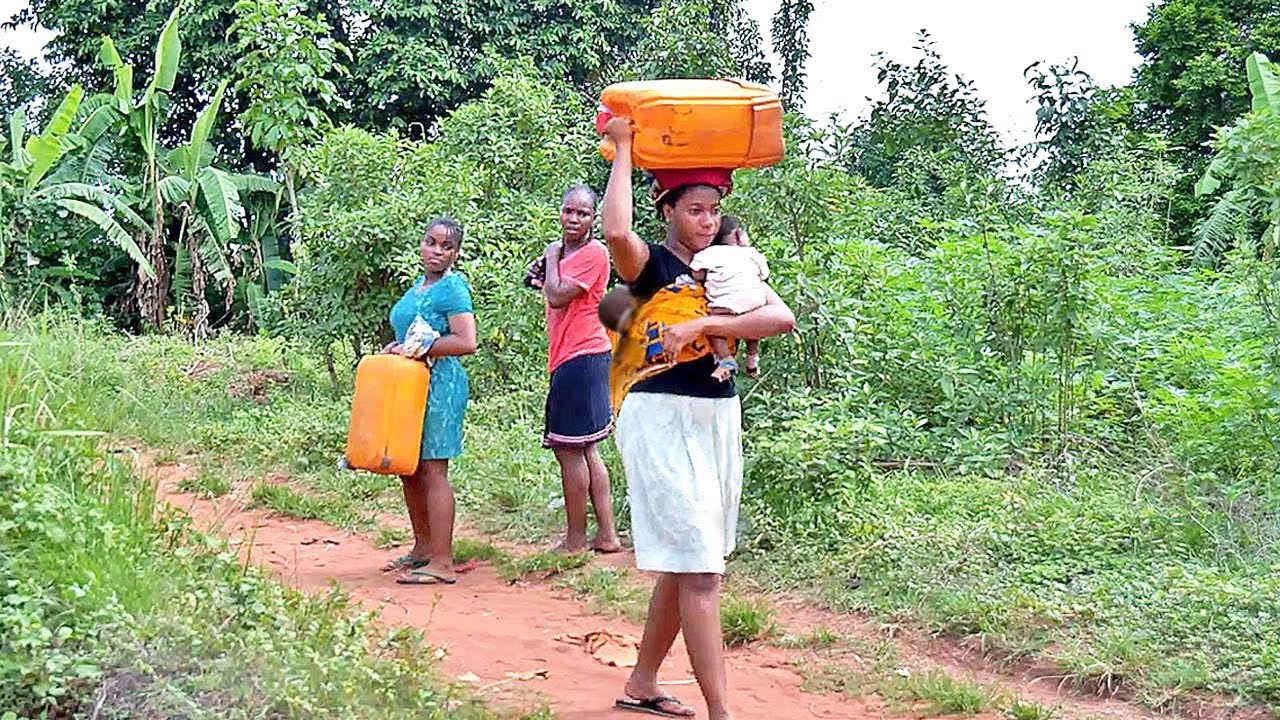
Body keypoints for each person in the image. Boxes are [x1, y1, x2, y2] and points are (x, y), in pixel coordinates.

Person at [599, 116, 796, 720]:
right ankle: (722, 713)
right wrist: (626, 148)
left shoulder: (731, 265)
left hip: (714, 418)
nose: (706, 221)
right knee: (703, 574)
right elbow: (615, 231)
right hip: (660, 416)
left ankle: (641, 681)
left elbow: (779, 319)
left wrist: (706, 325)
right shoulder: (653, 266)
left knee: (692, 559)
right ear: (669, 213)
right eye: (693, 210)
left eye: (713, 210)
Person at [380, 217, 477, 585]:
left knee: (434, 469)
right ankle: (422, 549)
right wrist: (399, 348)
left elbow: (466, 341)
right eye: (431, 243)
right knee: (410, 468)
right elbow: (409, 335)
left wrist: (421, 348)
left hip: (441, 388)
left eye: (446, 246)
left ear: (456, 253)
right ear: (421, 244)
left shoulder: (453, 288)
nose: (437, 251)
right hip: (411, 387)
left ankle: (442, 560)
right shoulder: (418, 288)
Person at [538, 184, 622, 554]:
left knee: (568, 450)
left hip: (581, 356)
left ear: (593, 219)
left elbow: (555, 294)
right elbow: (536, 281)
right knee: (587, 449)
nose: (574, 219)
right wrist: (553, 260)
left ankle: (575, 539)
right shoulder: (565, 254)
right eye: (569, 211)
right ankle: (606, 535)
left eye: (583, 214)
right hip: (571, 355)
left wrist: (552, 255)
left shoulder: (595, 253)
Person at [690, 215, 768, 380]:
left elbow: (696, 273)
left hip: (726, 303)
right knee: (753, 328)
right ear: (739, 235)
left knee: (714, 326)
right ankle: (752, 358)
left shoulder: (709, 253)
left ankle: (726, 358)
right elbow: (765, 275)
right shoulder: (752, 253)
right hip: (756, 302)